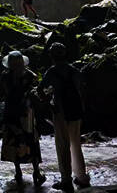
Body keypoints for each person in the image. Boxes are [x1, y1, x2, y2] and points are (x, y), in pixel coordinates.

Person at [41, 43, 90, 192]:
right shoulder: (73, 70)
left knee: (63, 145)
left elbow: (40, 90)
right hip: (75, 110)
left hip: (60, 111)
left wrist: (48, 102)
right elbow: (83, 88)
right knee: (76, 144)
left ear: (51, 56)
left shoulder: (51, 72)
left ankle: (66, 180)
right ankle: (81, 177)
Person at [0, 51, 45, 186]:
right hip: (26, 112)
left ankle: (18, 171)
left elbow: (5, 93)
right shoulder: (29, 76)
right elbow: (36, 85)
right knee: (31, 140)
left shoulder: (5, 76)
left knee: (14, 140)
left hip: (11, 112)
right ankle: (36, 171)